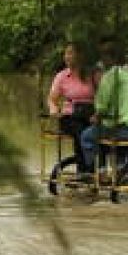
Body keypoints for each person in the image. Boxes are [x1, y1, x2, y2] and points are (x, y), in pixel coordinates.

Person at [79, 42, 128, 179]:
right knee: (107, 132)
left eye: (103, 57)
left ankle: (98, 170)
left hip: (119, 129)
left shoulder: (111, 75)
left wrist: (96, 117)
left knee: (86, 136)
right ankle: (119, 169)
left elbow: (102, 106)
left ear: (109, 58)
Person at [45, 41, 99, 169]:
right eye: (66, 53)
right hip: (70, 116)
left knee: (95, 131)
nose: (67, 57)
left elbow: (103, 96)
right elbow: (52, 99)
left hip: (90, 115)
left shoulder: (92, 75)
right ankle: (87, 168)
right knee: (81, 131)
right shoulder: (61, 76)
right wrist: (53, 109)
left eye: (71, 53)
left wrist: (98, 114)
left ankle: (93, 168)